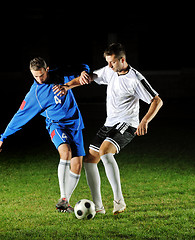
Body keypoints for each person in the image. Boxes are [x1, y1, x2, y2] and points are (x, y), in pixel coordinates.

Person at [53, 43, 163, 215]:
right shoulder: (109, 71)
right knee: (89, 160)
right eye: (107, 62)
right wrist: (68, 86)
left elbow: (157, 100)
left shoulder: (135, 79)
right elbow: (88, 78)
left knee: (105, 151)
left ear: (122, 60)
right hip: (110, 123)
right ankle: (98, 207)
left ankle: (119, 201)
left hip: (127, 124)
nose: (109, 66)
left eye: (112, 62)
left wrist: (144, 121)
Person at [0, 57, 90, 213]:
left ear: (47, 69)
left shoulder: (60, 75)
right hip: (56, 125)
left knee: (77, 165)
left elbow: (82, 65)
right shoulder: (35, 94)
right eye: (35, 76)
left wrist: (84, 72)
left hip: (75, 123)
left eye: (41, 75)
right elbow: (19, 116)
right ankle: (63, 197)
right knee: (66, 152)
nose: (39, 79)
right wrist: (3, 137)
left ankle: (65, 202)